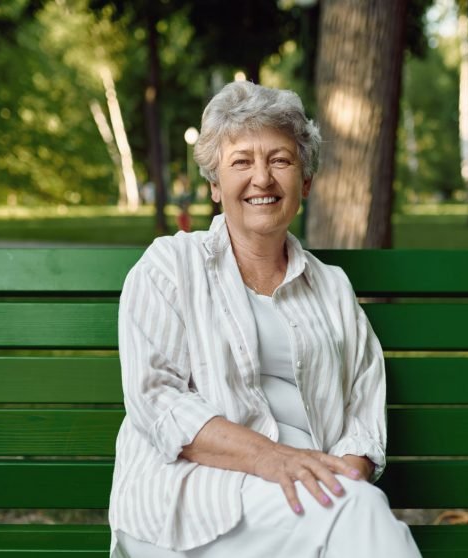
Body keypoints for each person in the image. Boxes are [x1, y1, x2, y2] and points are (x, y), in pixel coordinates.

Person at [109, 81, 421, 558]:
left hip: (307, 498)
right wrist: (274, 459)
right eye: (241, 162)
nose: (262, 179)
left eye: (280, 160)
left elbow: (363, 403)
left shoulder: (332, 288)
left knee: (356, 511)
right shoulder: (170, 266)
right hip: (186, 495)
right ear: (215, 186)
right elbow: (157, 399)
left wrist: (343, 476)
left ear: (305, 182)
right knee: (359, 515)